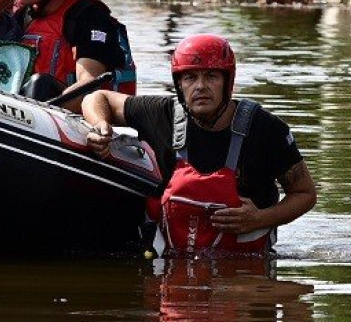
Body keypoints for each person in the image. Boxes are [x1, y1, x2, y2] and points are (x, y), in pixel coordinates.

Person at [81, 34, 317, 257]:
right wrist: (100, 125)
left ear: (228, 82)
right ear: (179, 85)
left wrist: (259, 219)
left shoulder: (267, 130)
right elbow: (97, 98)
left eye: (211, 76)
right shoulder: (162, 115)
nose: (200, 86)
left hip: (246, 270)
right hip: (172, 267)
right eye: (190, 77)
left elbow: (305, 194)